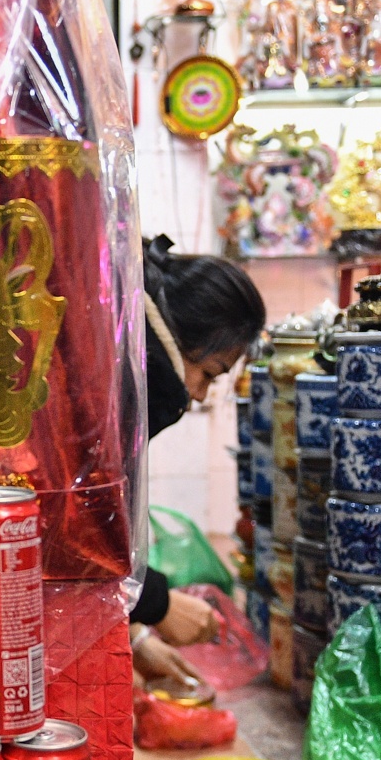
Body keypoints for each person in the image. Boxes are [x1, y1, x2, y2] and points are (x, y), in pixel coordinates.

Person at [130, 235, 267, 685]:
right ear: (174, 336)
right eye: (207, 373)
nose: (199, 394)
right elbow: (78, 525)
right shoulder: (125, 383)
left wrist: (136, 637)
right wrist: (156, 604)